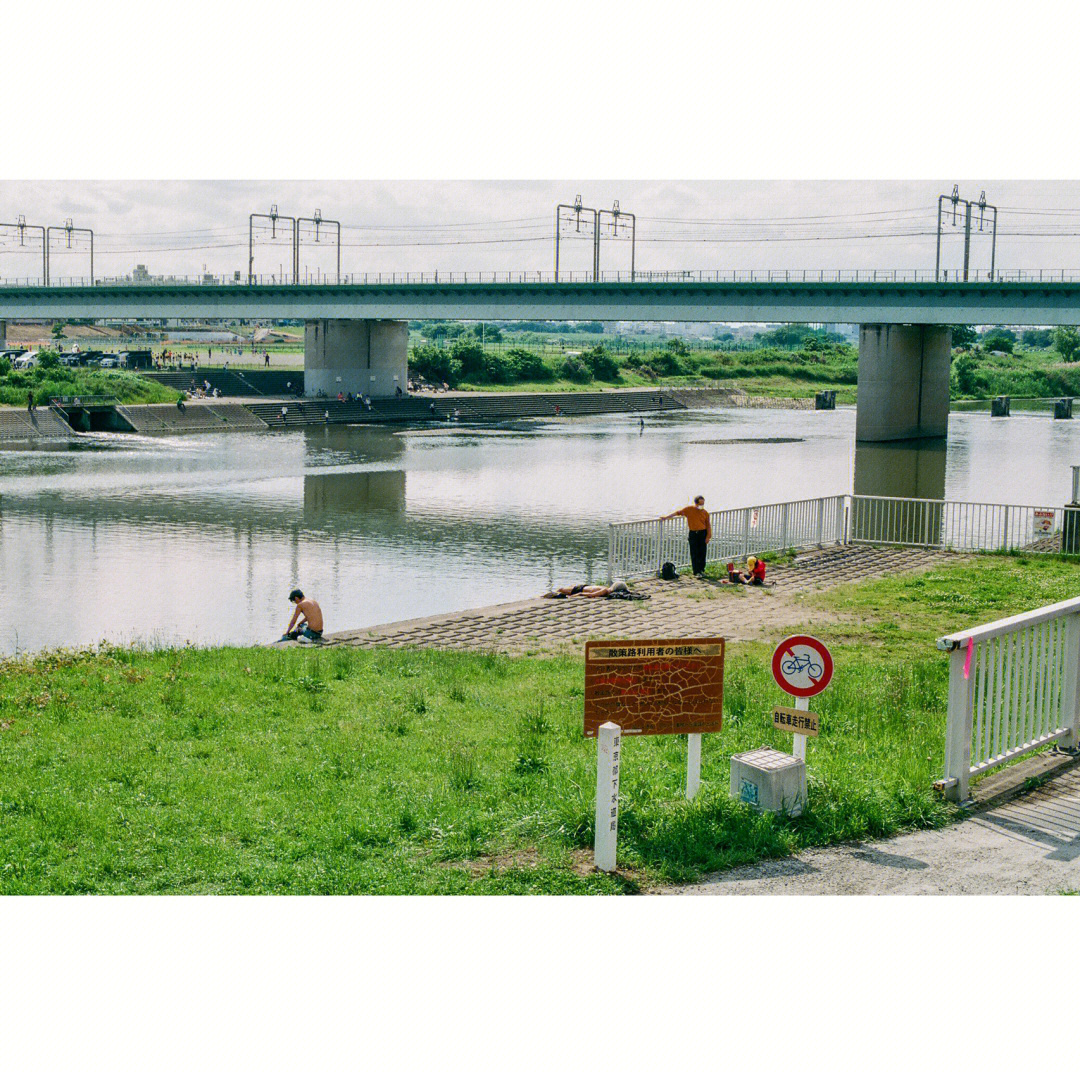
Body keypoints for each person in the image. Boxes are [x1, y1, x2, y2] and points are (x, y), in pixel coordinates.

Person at [661, 496, 712, 577]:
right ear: (696, 503)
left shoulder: (705, 513)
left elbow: (708, 525)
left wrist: (708, 536)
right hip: (693, 533)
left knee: (702, 553)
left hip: (702, 533)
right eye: (700, 504)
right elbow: (677, 513)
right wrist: (666, 517)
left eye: (703, 504)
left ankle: (702, 569)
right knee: (694, 552)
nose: (701, 506)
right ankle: (696, 571)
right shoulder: (689, 510)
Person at [544, 580, 630, 598]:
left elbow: (591, 594)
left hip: (583, 587)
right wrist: (578, 594)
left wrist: (579, 594)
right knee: (561, 590)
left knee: (563, 589)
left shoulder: (606, 589)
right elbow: (591, 595)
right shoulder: (605, 591)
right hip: (580, 589)